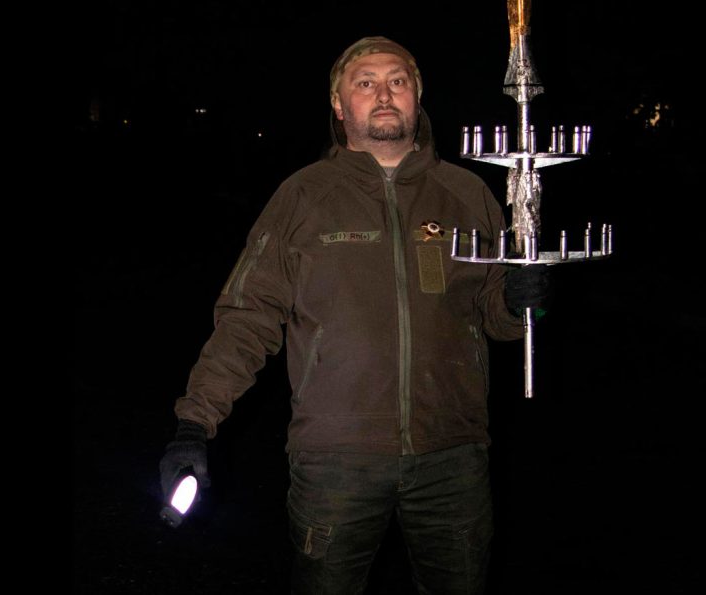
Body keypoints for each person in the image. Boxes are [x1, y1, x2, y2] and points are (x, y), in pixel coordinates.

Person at [160, 36, 551, 594]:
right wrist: (194, 425)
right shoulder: (302, 196)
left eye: (398, 80)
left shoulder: (467, 192)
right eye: (365, 83)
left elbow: (493, 315)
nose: (384, 93)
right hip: (334, 464)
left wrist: (518, 300)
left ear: (418, 96)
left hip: (454, 457)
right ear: (341, 106)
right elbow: (248, 317)